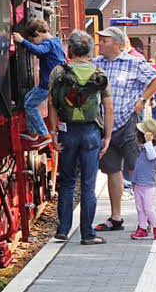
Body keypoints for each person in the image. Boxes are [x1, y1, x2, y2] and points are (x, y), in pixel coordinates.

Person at [47, 30, 113, 246]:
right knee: (88, 185)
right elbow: (108, 106)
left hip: (68, 133)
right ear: (89, 50)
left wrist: (54, 132)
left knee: (66, 182)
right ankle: (87, 234)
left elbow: (52, 103)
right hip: (91, 133)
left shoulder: (59, 71)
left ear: (70, 50)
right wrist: (108, 136)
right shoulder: (99, 72)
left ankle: (63, 229)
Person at [93, 27, 156, 231]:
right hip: (105, 126)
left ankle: (147, 216)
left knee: (136, 170)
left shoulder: (134, 63)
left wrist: (142, 99)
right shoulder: (96, 64)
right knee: (112, 170)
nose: (101, 43)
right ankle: (116, 217)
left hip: (129, 123)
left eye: (105, 40)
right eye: (100, 40)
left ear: (118, 44)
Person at [13, 19, 66, 145]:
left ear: (37, 34)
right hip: (52, 83)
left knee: (30, 105)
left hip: (47, 84)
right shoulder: (56, 41)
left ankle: (44, 134)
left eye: (33, 40)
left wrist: (22, 41)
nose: (35, 43)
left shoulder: (47, 44)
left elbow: (39, 51)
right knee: (28, 98)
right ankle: (33, 133)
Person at [130, 117, 156, 241]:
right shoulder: (143, 149)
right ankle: (142, 227)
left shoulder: (153, 149)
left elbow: (152, 156)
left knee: (148, 207)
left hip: (148, 185)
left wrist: (148, 142)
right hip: (138, 183)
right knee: (140, 207)